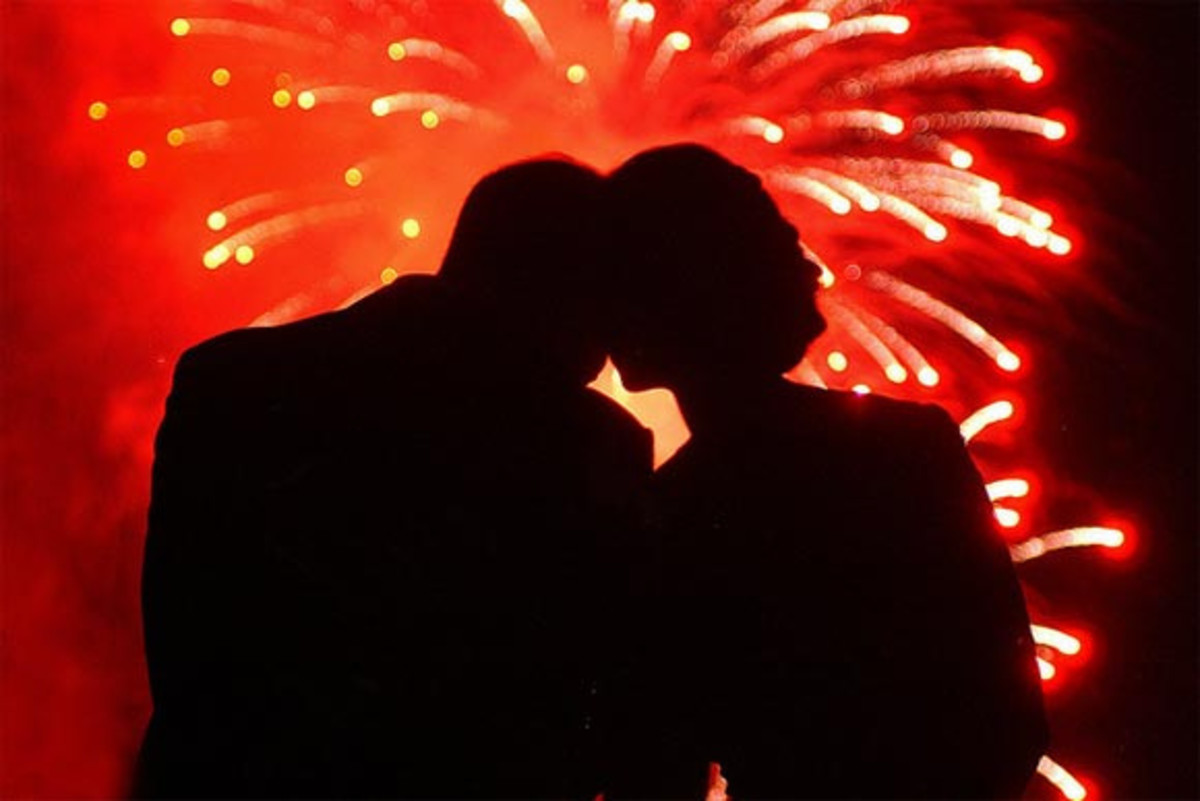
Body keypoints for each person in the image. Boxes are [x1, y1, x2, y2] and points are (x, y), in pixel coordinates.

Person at [135, 157, 653, 798]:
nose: (617, 340)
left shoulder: (230, 378)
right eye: (612, 293)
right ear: (563, 281)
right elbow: (589, 701)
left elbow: (186, 642)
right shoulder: (594, 445)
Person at [601, 144, 1047, 799]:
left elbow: (658, 768)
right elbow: (1010, 722)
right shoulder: (908, 448)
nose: (807, 258)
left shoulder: (668, 510)